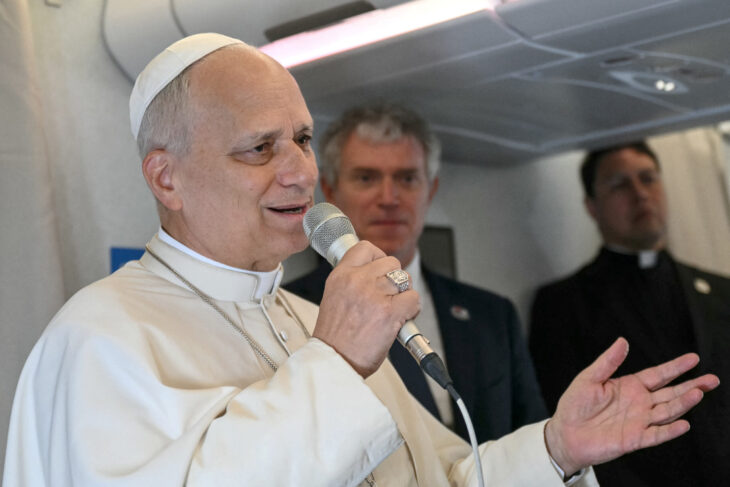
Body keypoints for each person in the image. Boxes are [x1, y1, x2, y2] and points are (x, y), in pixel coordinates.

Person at [3, 34, 719, 487]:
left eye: (302, 139)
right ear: (167, 178)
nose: (300, 173)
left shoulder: (306, 316)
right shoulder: (99, 338)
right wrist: (337, 361)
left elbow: (444, 477)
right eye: (260, 148)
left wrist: (557, 448)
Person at [285, 102, 547, 443]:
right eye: (366, 178)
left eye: (407, 178)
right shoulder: (289, 309)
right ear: (332, 192)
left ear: (431, 190)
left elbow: (534, 437)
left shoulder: (492, 315)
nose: (389, 198)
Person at [529, 141, 730, 486]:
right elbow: (565, 424)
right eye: (619, 184)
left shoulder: (722, 290)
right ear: (592, 206)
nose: (640, 194)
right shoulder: (562, 305)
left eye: (648, 178)